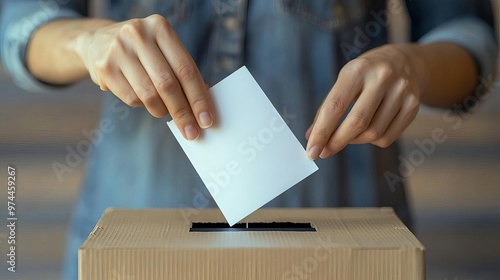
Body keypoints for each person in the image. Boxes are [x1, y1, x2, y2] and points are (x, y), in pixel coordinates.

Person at [1, 0, 497, 279]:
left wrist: (414, 66)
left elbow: (467, 32)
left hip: (344, 245)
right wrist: (85, 40)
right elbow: (22, 23)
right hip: (134, 240)